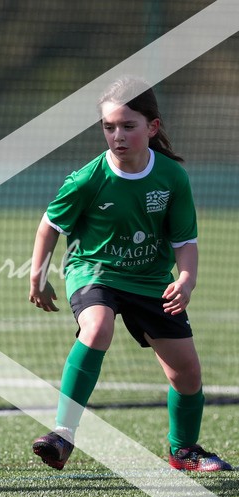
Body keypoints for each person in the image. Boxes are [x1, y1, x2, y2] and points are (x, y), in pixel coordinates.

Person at [28, 77, 232, 472]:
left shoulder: (172, 177)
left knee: (187, 373)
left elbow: (185, 240)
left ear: (152, 127)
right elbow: (49, 225)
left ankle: (183, 450)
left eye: (127, 126)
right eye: (109, 127)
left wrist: (186, 279)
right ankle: (62, 434)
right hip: (94, 271)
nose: (117, 136)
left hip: (150, 280)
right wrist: (38, 276)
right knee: (97, 327)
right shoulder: (88, 178)